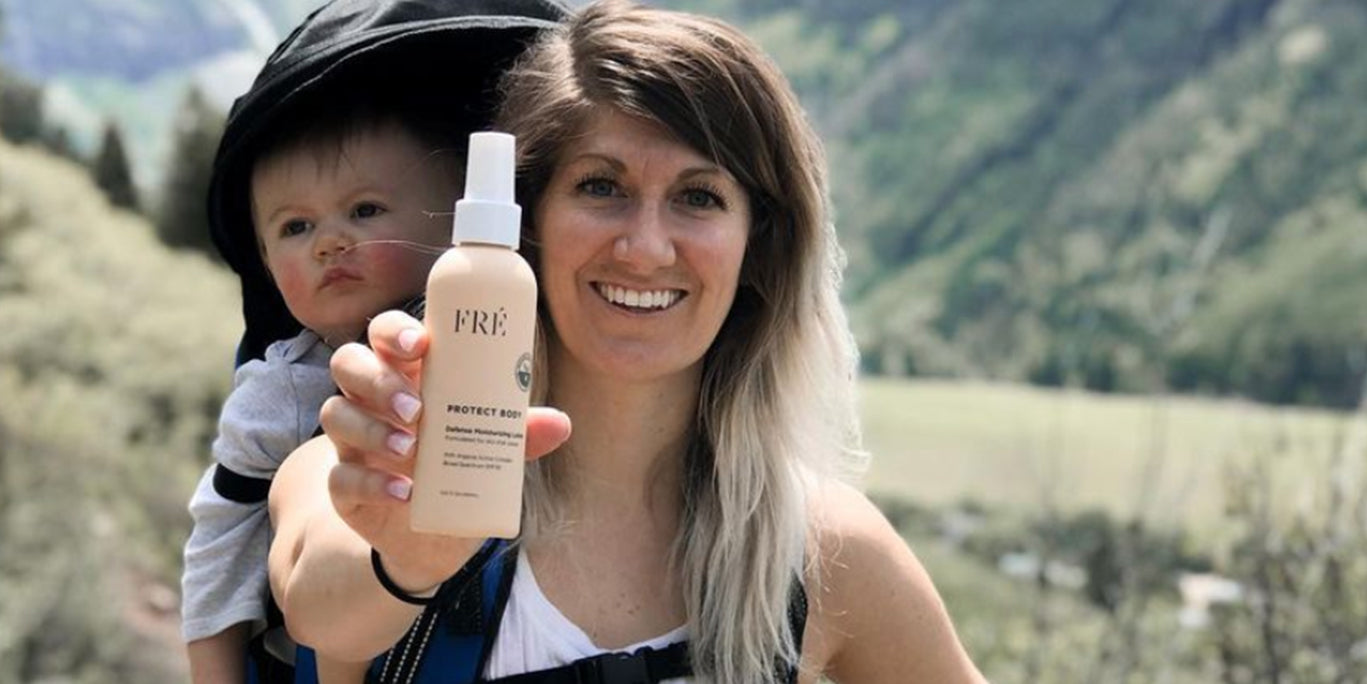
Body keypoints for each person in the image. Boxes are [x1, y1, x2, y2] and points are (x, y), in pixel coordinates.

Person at [267, 0, 987, 681]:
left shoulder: (823, 554)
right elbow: (318, 608)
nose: (645, 250)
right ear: (529, 221)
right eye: (600, 187)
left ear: (757, 249)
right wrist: (406, 561)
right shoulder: (392, 455)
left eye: (698, 197)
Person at [184, 2, 568, 681]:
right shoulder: (283, 389)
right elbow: (219, 540)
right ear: (264, 264)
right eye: (295, 228)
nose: (329, 241)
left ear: (456, 224)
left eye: (365, 211)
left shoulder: (519, 324)